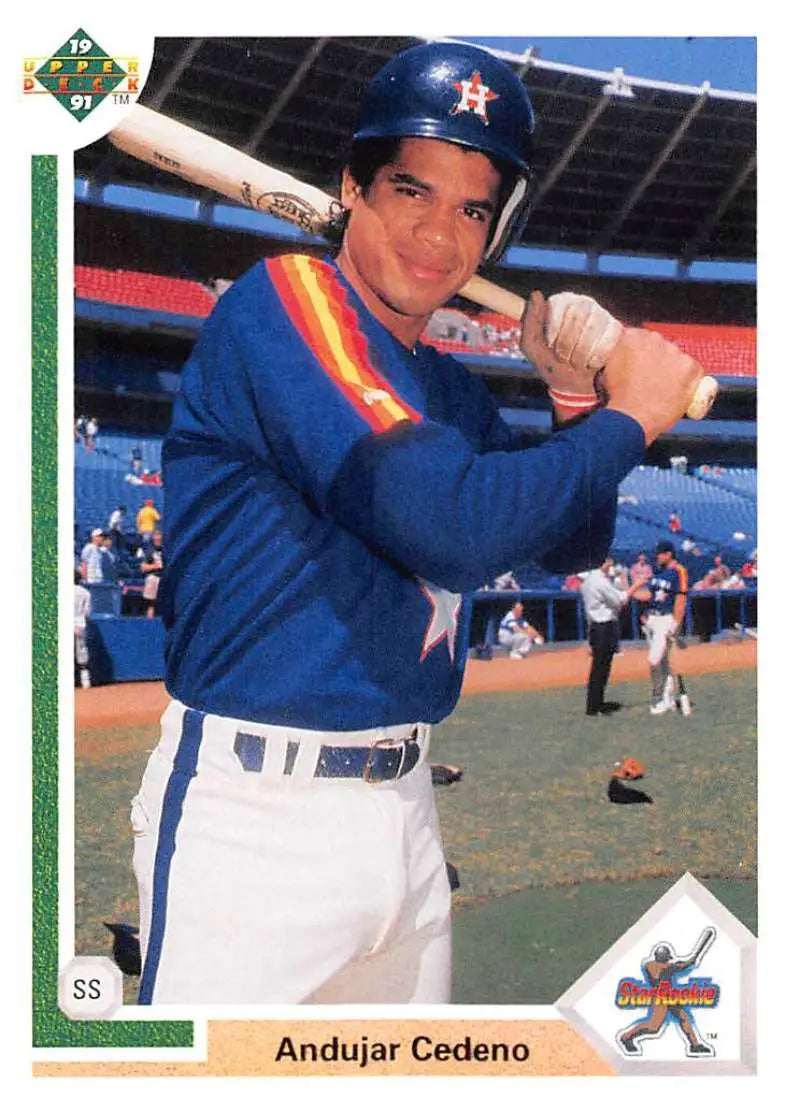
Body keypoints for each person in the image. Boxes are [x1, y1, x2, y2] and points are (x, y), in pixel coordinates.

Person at [129, 41, 703, 1006]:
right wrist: (632, 415)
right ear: (351, 188)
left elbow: (573, 540)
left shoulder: (444, 384)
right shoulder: (286, 301)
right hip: (252, 825)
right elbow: (453, 528)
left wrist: (570, 396)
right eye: (412, 190)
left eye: (473, 208)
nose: (442, 234)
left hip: (408, 814)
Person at [633, 540, 689, 714]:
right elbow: (650, 595)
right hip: (653, 619)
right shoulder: (658, 572)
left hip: (667, 619)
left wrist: (676, 623)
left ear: (668, 554)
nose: (656, 557)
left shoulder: (679, 571)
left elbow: (681, 599)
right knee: (663, 662)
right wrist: (629, 592)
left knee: (654, 660)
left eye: (659, 553)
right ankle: (668, 699)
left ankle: (658, 699)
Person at [580, 556, 639, 715]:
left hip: (596, 626)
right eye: (608, 561)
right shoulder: (599, 581)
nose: (611, 564)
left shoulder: (589, 580)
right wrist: (637, 585)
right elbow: (620, 600)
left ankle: (596, 703)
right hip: (603, 626)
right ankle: (594, 706)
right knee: (601, 667)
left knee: (600, 667)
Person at [139, 529, 164, 619]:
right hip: (154, 578)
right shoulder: (150, 551)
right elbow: (143, 567)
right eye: (156, 536)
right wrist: (156, 566)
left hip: (166, 579)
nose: (158, 538)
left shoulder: (168, 550)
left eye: (160, 536)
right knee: (151, 604)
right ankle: (150, 623)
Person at [74, 568, 92, 689]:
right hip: (79, 623)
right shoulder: (85, 592)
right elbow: (87, 612)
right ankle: (85, 682)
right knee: (82, 654)